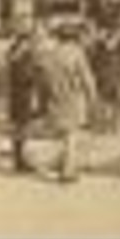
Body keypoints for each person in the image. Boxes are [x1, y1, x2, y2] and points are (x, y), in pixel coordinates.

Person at [32, 19, 99, 182]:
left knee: (64, 133)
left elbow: (42, 78)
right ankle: (68, 171)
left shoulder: (51, 55)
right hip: (73, 96)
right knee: (71, 135)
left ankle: (62, 163)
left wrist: (42, 100)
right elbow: (87, 79)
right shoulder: (77, 53)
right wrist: (93, 98)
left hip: (55, 96)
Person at [4, 17, 42, 173]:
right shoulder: (23, 55)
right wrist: (36, 74)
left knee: (20, 126)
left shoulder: (14, 51)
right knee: (22, 126)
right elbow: (26, 76)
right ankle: (20, 159)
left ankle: (19, 157)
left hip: (16, 93)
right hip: (23, 94)